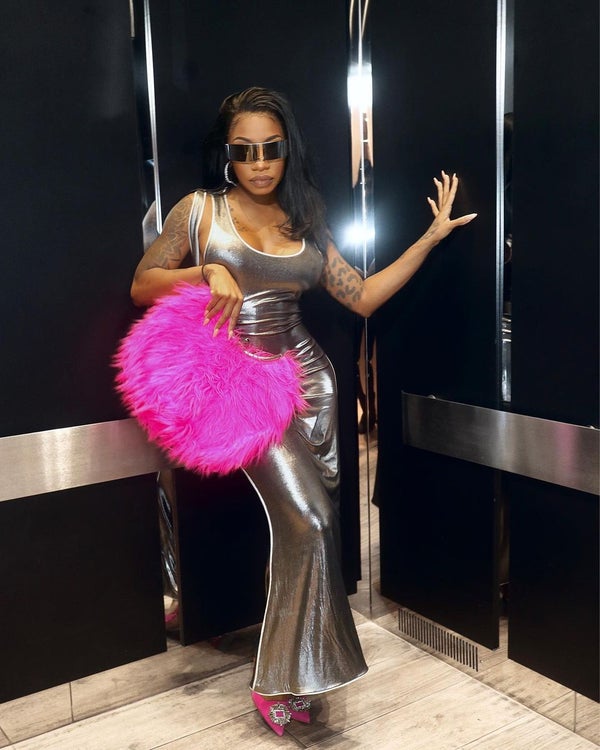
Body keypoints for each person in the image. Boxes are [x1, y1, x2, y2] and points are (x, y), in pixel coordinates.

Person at [130, 86, 476, 736]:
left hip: (311, 383)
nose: (259, 163)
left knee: (308, 527)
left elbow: (362, 296)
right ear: (227, 153)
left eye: (271, 149)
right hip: (240, 386)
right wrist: (207, 272)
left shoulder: (306, 220)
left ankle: (300, 662)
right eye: (245, 151)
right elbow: (142, 284)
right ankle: (277, 679)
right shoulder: (199, 210)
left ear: (287, 150)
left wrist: (430, 238)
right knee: (310, 520)